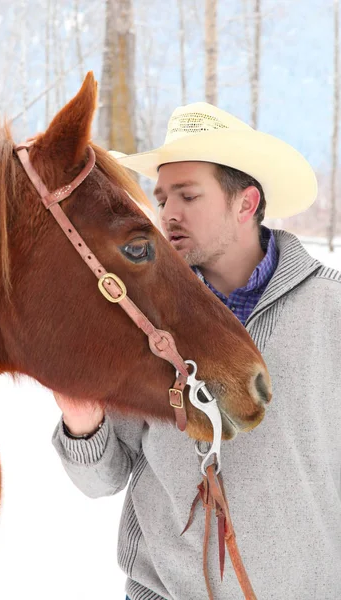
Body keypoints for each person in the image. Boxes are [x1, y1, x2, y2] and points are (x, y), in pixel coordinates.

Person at [51, 102, 341, 600]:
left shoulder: (332, 309)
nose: (168, 214)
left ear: (246, 204)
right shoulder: (140, 320)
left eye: (188, 195)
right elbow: (102, 480)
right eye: (162, 197)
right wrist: (82, 419)